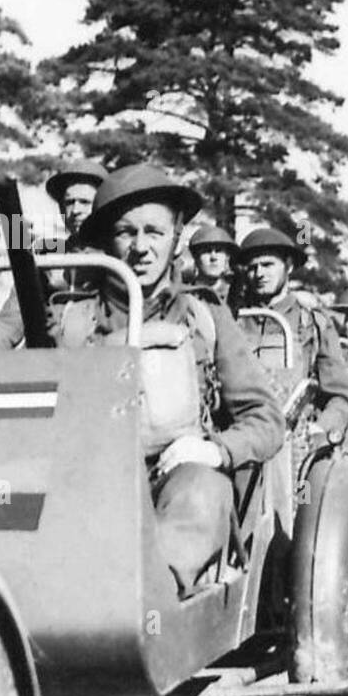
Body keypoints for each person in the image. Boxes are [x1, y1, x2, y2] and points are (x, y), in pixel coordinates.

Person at [57, 163, 284, 596]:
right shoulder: (71, 320)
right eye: (126, 233)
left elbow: (266, 419)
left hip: (177, 483)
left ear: (176, 239)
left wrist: (213, 450)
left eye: (154, 232)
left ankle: (152, 611)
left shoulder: (205, 315)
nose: (140, 248)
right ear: (107, 240)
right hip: (90, 483)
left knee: (200, 491)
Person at [232, 227, 348, 436]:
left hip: (293, 436)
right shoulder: (234, 321)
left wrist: (321, 427)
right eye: (253, 267)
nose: (259, 274)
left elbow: (341, 395)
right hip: (239, 432)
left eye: (268, 265)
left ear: (288, 266)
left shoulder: (312, 322)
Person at [188, 225, 240, 305]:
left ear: (227, 258)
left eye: (219, 251)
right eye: (207, 251)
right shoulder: (187, 295)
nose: (213, 257)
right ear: (196, 257)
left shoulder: (235, 296)